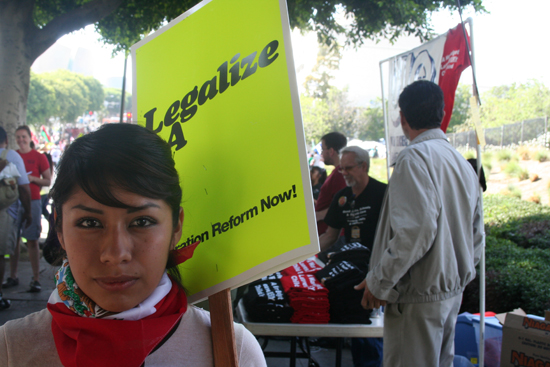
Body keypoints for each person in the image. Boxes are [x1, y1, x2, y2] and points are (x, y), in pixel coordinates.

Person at [0, 123, 266, 366]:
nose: (116, 254)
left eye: (142, 222)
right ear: (58, 227)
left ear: (176, 227)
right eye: (90, 223)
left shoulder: (235, 352)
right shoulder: (11, 349)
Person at [356, 80, 483, 367]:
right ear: (441, 111)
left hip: (418, 299)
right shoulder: (460, 162)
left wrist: (379, 281)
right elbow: (477, 235)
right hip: (449, 293)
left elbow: (416, 232)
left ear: (403, 118)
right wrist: (458, 275)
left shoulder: (414, 158)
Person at [319, 146, 387, 367]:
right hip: (350, 273)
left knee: (369, 330)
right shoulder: (342, 197)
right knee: (356, 326)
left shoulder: (383, 193)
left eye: (348, 168)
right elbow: (329, 236)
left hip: (377, 269)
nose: (343, 173)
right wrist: (305, 256)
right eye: (341, 169)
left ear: (364, 166)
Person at [4, 126, 51, 293]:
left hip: (33, 201)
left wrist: (31, 179)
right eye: (18, 137)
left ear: (30, 138)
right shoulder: (13, 156)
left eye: (23, 136)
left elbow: (48, 181)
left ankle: (36, 278)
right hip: (14, 202)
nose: (21, 140)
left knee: (32, 240)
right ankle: (13, 276)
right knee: (14, 240)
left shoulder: (39, 157)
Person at [0, 127, 32, 309]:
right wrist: (28, 212)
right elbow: (24, 188)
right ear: (6, 140)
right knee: (0, 255)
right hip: (5, 212)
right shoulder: (11, 156)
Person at [315, 132, 347, 235]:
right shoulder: (337, 172)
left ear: (331, 151)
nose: (321, 154)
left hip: (331, 237)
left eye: (323, 150)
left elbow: (342, 205)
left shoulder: (340, 174)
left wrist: (318, 215)